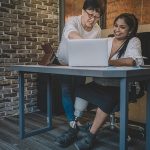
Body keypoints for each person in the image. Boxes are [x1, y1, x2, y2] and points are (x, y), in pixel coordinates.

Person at [74, 13, 144, 150]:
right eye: (116, 26)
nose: (117, 29)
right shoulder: (107, 41)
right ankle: (75, 124)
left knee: (107, 99)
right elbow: (96, 57)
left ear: (130, 30)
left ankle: (90, 136)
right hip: (102, 83)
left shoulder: (133, 41)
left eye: (122, 27)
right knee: (80, 90)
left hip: (122, 85)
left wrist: (109, 62)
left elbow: (134, 60)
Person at [55, 0, 103, 148]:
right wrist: (86, 44)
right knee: (66, 90)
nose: (92, 19)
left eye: (96, 17)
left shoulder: (97, 29)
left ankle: (75, 121)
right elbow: (72, 34)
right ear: (82, 11)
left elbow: (96, 48)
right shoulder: (72, 21)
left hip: (82, 64)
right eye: (90, 15)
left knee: (80, 92)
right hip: (64, 62)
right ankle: (73, 125)